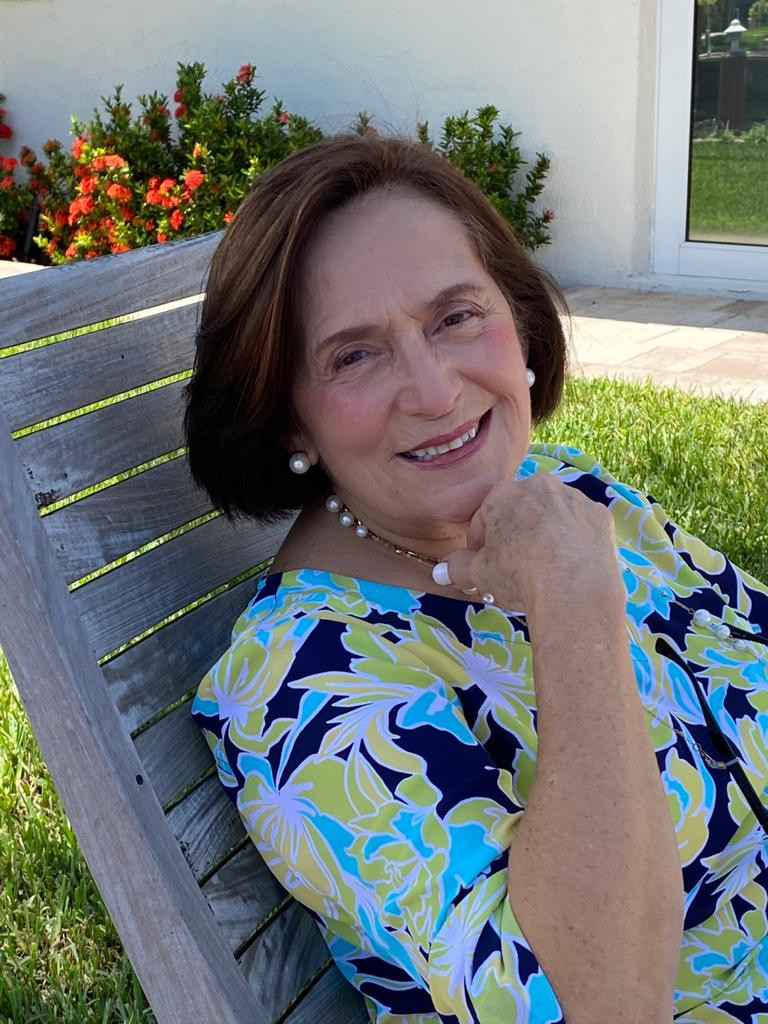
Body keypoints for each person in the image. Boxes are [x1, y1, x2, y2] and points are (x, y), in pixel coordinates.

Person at [184, 134, 768, 1023]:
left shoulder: (566, 492)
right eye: (354, 355)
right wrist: (574, 604)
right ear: (291, 423)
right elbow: (605, 1006)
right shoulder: (302, 690)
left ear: (517, 321)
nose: (433, 389)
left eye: (455, 316)